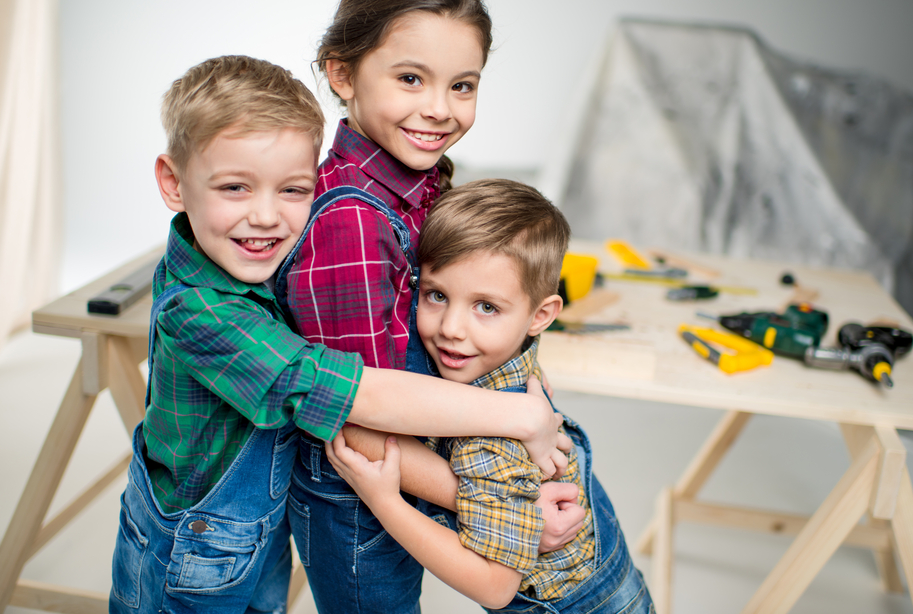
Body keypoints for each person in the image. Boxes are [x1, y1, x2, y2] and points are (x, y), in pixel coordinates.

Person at [108, 56, 569, 614]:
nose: (266, 217)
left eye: (293, 190)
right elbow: (356, 393)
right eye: (235, 187)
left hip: (257, 531)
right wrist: (524, 419)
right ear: (173, 183)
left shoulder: (251, 252)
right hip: (191, 550)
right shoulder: (201, 312)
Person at [277, 0, 585, 613]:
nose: (439, 110)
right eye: (410, 79)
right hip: (360, 495)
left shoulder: (421, 181)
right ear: (341, 73)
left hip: (417, 466)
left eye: (462, 85)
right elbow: (357, 416)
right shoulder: (353, 222)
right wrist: (509, 499)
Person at [329, 179, 656, 613]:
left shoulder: (490, 440)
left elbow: (494, 587)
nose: (452, 328)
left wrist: (386, 501)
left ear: (540, 315)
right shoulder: (511, 353)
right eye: (437, 295)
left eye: (486, 307)